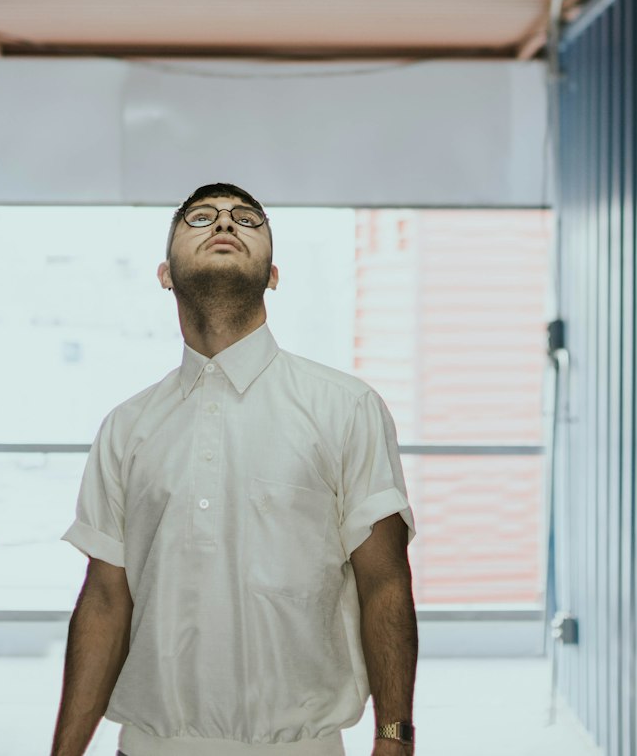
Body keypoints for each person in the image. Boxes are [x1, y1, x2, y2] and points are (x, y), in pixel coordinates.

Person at [51, 182, 418, 756]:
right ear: (165, 274)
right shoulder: (126, 427)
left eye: (247, 219)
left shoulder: (345, 407)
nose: (225, 223)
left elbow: (385, 581)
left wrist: (395, 736)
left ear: (272, 275)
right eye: (200, 217)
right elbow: (103, 601)